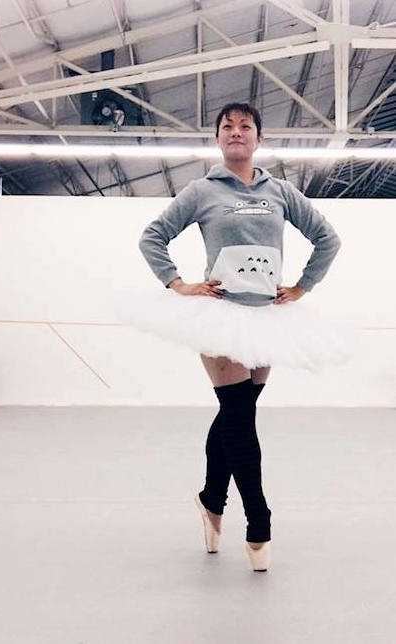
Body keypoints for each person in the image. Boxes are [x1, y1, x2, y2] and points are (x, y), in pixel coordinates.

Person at [136, 102, 342, 572]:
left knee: (236, 415)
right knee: (240, 418)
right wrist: (178, 283)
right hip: (221, 317)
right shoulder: (202, 190)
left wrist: (303, 286)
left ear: (258, 138)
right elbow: (153, 236)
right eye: (227, 126)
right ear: (217, 139)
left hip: (266, 318)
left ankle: (211, 500)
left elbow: (328, 238)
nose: (236, 132)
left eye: (245, 126)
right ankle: (258, 518)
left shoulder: (281, 192)